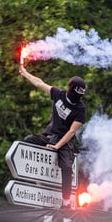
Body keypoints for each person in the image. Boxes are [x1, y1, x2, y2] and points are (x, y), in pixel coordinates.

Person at [19, 65, 86, 209]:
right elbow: (39, 83)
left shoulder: (81, 109)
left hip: (63, 142)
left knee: (67, 167)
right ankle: (33, 187)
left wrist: (57, 146)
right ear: (71, 88)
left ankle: (66, 202)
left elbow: (72, 131)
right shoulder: (58, 94)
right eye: (78, 91)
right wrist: (25, 73)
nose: (80, 95)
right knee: (28, 141)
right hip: (48, 137)